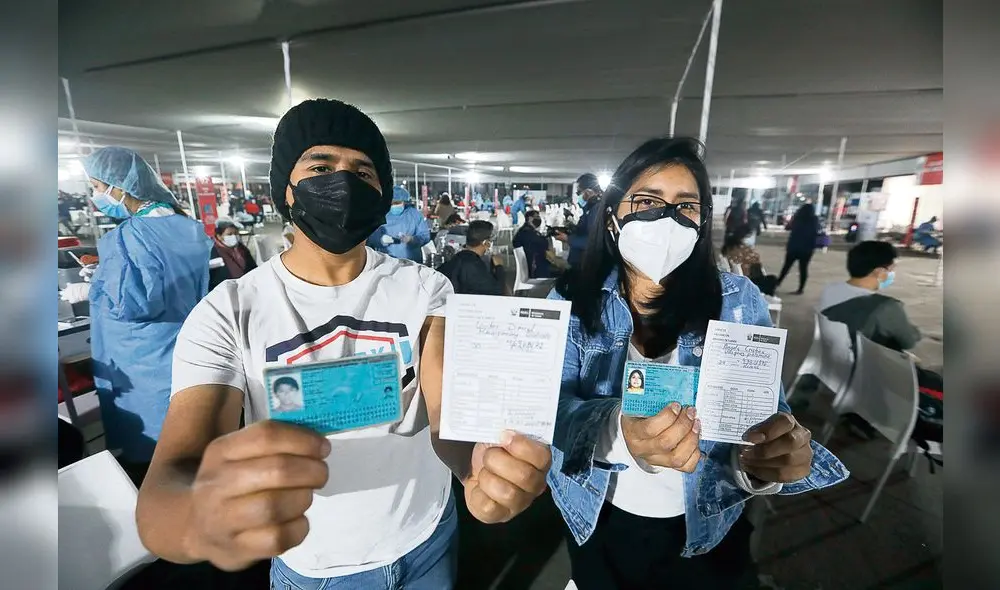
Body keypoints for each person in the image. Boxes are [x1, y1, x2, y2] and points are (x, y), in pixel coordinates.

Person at [135, 99, 551, 589]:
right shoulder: (230, 312)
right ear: (285, 190)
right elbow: (168, 484)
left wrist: (476, 466)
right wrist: (196, 519)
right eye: (320, 165)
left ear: (381, 194)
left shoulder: (425, 288)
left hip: (426, 537)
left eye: (362, 170)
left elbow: (443, 411)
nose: (343, 180)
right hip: (318, 568)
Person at [548, 137, 847, 589]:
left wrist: (768, 458)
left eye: (685, 206)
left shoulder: (738, 300)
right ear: (612, 216)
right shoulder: (570, 301)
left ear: (702, 223)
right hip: (602, 515)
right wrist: (617, 431)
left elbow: (765, 411)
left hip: (706, 525)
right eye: (647, 201)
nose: (665, 219)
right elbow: (549, 407)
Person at [73, 146, 212, 482]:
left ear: (120, 187)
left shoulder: (129, 237)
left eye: (97, 186)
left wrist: (91, 287)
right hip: (182, 349)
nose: (95, 196)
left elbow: (129, 304)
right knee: (190, 441)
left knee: (153, 455)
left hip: (141, 363)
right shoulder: (188, 228)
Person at [818, 240, 942, 461]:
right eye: (891, 269)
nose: (892, 274)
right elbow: (909, 338)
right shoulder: (886, 307)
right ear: (879, 272)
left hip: (830, 367)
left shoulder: (831, 290)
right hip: (864, 377)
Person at [435, 220, 507, 296]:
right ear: (486, 243)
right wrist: (499, 267)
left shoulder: (456, 259)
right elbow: (497, 292)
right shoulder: (474, 265)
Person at [368, 185, 431, 262]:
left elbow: (425, 236)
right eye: (391, 203)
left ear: (404, 201)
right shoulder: (381, 215)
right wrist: (380, 240)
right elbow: (371, 238)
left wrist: (412, 239)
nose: (394, 205)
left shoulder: (414, 215)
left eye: (397, 202)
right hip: (388, 261)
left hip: (412, 261)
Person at [720, 223, 777, 295]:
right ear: (745, 236)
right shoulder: (740, 249)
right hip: (748, 281)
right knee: (772, 280)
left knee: (770, 279)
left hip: (745, 279)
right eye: (750, 236)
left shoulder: (731, 246)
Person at [776, 203, 821, 294]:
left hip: (794, 247)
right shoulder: (814, 219)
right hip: (807, 249)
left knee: (786, 267)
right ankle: (800, 289)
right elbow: (816, 231)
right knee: (803, 269)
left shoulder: (797, 217)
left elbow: (787, 227)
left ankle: (777, 283)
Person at [567, 173, 603, 267]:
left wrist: (568, 239)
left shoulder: (597, 209)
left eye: (579, 192)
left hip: (588, 262)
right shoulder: (589, 208)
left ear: (587, 192)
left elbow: (595, 241)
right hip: (581, 259)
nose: (578, 196)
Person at [209, 220, 257, 290]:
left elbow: (253, 267)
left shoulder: (241, 248)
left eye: (236, 233)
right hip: (225, 292)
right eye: (229, 234)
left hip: (246, 287)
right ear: (219, 236)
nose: (234, 236)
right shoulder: (212, 253)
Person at [513, 210, 558, 278]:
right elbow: (543, 243)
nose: (539, 219)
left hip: (534, 263)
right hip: (536, 267)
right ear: (530, 218)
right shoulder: (526, 232)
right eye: (537, 217)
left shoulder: (525, 231)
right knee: (562, 271)